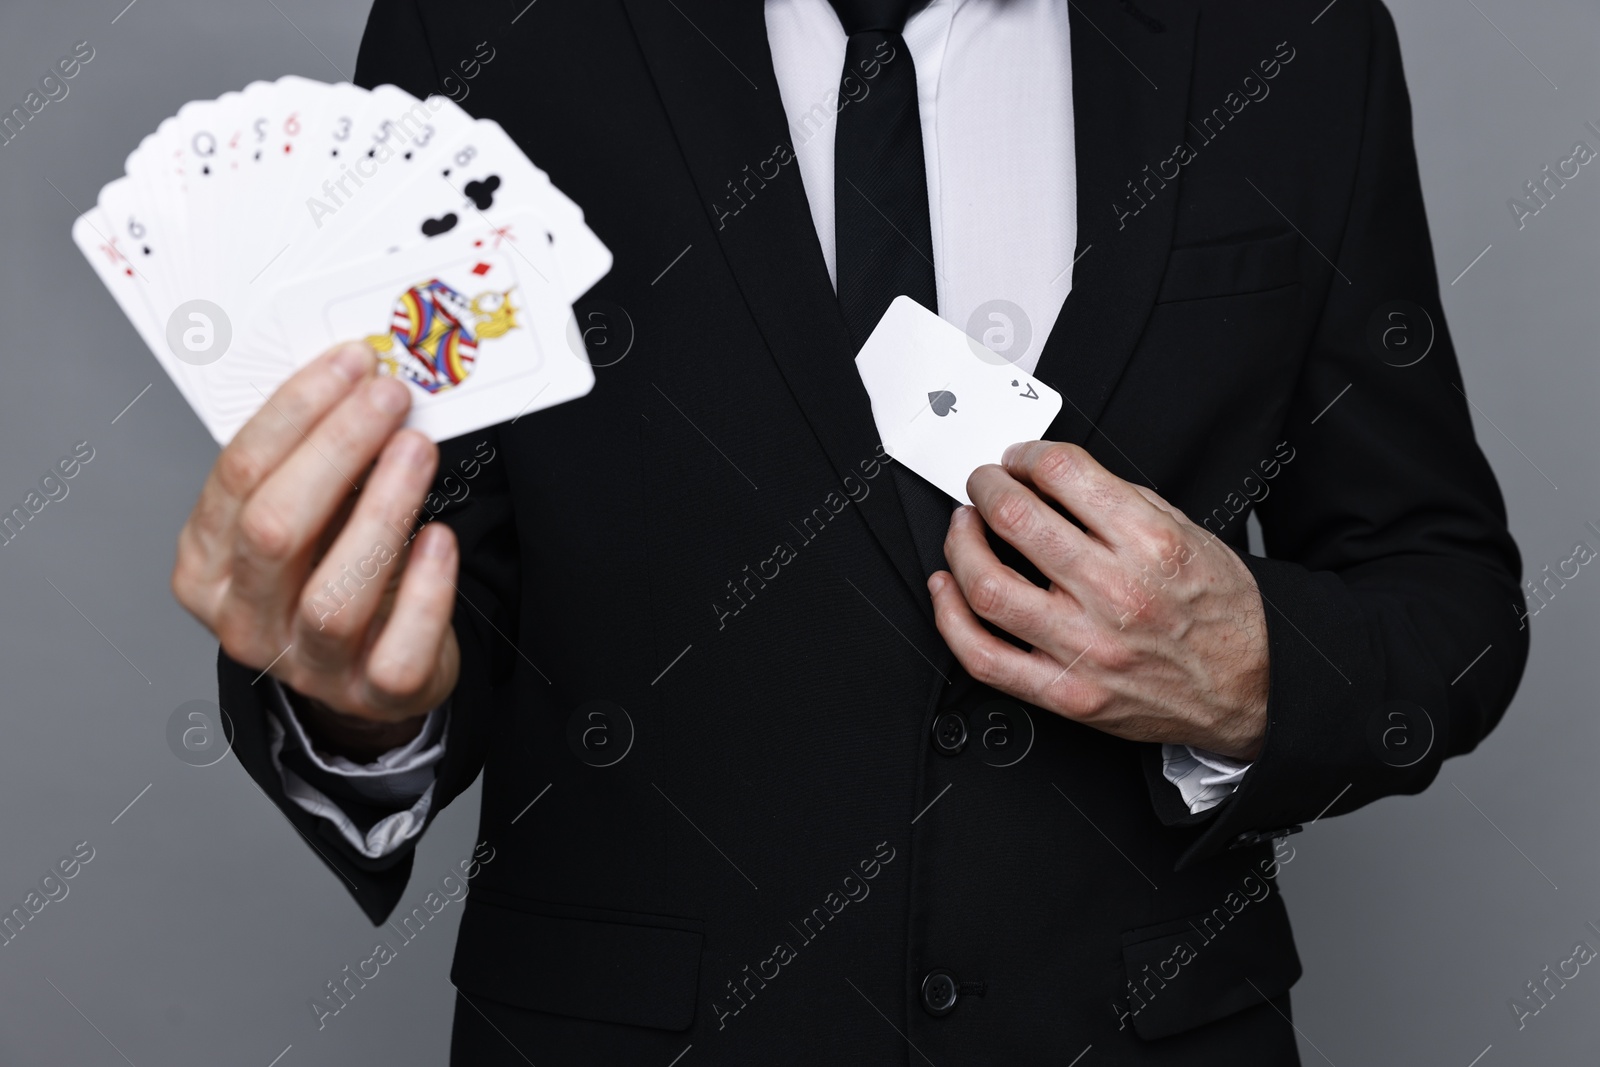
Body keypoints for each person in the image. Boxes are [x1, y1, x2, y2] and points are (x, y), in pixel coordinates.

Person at [171, 0, 1527, 1062]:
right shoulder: (489, 28)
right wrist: (358, 708)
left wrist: (1257, 671)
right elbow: (399, 559)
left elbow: (1446, 587)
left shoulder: (1290, 37)